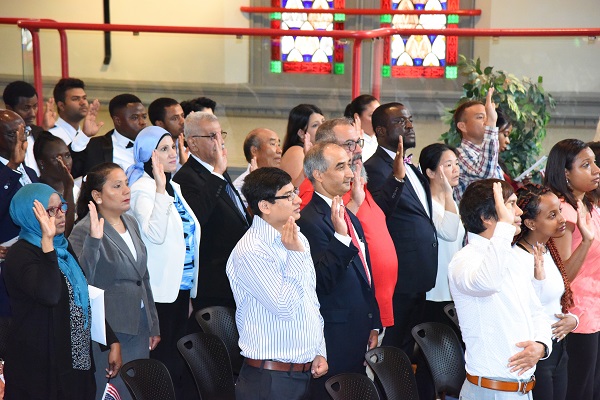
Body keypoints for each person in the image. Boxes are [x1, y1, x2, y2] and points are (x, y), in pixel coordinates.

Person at [3, 183, 121, 400]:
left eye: (61, 207)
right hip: (40, 370)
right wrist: (47, 244)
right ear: (31, 216)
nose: (59, 215)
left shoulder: (62, 247)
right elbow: (50, 294)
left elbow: (79, 294)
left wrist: (111, 340)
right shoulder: (20, 255)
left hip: (75, 363)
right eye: (50, 210)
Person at [227, 167, 328, 400]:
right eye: (288, 195)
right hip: (270, 379)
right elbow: (284, 307)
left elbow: (309, 301)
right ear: (265, 206)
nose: (298, 199)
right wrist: (294, 254)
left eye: (295, 192)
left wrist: (318, 350)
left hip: (303, 372)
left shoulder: (297, 236)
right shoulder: (251, 251)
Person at [449, 179, 551, 399]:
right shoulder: (463, 260)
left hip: (523, 390)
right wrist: (504, 228)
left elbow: (537, 311)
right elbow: (489, 283)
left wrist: (541, 346)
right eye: (510, 205)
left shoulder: (513, 257)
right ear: (486, 218)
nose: (519, 211)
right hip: (489, 391)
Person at [69, 163, 160, 400]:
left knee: (137, 392)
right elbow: (80, 280)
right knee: (112, 392)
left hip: (139, 325)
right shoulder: (84, 229)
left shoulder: (130, 222)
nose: (126, 191)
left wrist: (153, 323)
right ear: (97, 195)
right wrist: (94, 241)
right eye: (117, 186)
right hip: (110, 330)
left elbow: (143, 277)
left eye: (126, 184)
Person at [297, 142, 381, 399]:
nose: (350, 174)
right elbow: (321, 281)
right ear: (319, 175)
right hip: (333, 336)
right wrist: (341, 238)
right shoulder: (309, 220)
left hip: (357, 330)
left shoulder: (345, 213)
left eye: (350, 165)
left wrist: (373, 321)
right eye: (341, 167)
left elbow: (365, 272)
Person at [298, 117, 398, 330]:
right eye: (349, 144)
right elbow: (320, 275)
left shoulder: (354, 186)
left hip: (367, 311)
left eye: (358, 142)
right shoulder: (312, 197)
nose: (357, 150)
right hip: (341, 319)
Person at [126, 126, 200, 397]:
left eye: (173, 147)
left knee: (176, 360)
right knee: (163, 361)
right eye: (164, 149)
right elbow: (154, 235)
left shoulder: (173, 185)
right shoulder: (143, 189)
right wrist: (158, 187)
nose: (173, 153)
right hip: (159, 291)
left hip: (179, 286)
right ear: (148, 154)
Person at [365, 102, 436, 358]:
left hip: (418, 276)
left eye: (410, 119)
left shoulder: (411, 165)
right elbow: (379, 213)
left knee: (408, 349)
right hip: (399, 277)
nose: (409, 126)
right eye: (400, 122)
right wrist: (395, 178)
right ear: (381, 131)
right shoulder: (373, 168)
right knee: (393, 350)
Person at [513, 183, 594, 400]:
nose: (561, 219)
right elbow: (524, 309)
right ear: (530, 223)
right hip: (536, 353)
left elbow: (554, 301)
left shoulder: (548, 251)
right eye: (552, 215)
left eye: (559, 211)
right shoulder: (517, 258)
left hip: (558, 349)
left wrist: (572, 320)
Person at [173, 112, 251, 310]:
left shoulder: (218, 170)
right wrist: (216, 173)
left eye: (220, 134)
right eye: (211, 136)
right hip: (213, 282)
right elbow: (197, 219)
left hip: (235, 276)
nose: (220, 142)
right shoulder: (186, 178)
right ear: (193, 143)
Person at [544, 138, 600, 400]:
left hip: (594, 309)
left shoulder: (587, 205)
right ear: (566, 174)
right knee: (580, 392)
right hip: (575, 315)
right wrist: (587, 242)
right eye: (586, 165)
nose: (596, 170)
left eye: (594, 163)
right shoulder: (562, 212)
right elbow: (562, 274)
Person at [418, 143, 464, 329]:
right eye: (448, 165)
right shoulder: (425, 203)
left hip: (455, 288)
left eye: (456, 163)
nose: (456, 169)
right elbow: (449, 232)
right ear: (430, 172)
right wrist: (448, 194)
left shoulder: (450, 200)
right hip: (436, 292)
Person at [0, 110, 38, 317]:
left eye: (24, 132)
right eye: (11, 134)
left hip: (33, 262)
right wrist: (13, 165)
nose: (20, 139)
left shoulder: (29, 172)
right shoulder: (8, 171)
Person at [70, 94, 146, 178]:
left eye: (144, 117)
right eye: (135, 118)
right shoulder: (95, 146)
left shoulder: (155, 146)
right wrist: (84, 135)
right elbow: (68, 171)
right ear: (117, 121)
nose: (143, 122)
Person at [453, 88, 503, 202]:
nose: (486, 121)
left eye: (487, 116)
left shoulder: (484, 153)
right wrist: (491, 123)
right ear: (462, 126)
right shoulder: (460, 154)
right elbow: (485, 175)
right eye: (480, 117)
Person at [3, 80, 57, 175]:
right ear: (9, 108)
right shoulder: (3, 139)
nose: (32, 113)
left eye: (35, 106)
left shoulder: (39, 133)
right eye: (26, 108)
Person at [33, 132, 77, 236]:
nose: (65, 162)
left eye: (67, 155)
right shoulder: (38, 196)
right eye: (57, 158)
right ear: (41, 163)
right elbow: (64, 234)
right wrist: (68, 187)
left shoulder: (78, 189)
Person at [48, 78, 103, 151]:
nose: (83, 102)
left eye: (84, 98)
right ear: (61, 106)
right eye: (75, 99)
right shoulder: (51, 135)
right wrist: (84, 135)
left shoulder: (85, 133)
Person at [233, 128, 283, 208]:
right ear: (254, 151)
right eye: (273, 144)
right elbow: (248, 218)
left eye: (279, 145)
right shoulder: (240, 186)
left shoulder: (280, 180)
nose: (279, 150)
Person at [280, 104, 324, 187]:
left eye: (323, 122)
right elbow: (296, 190)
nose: (322, 128)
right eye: (315, 125)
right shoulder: (296, 152)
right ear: (301, 133)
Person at [148, 97, 188, 167]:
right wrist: (183, 165)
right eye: (175, 118)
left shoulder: (185, 147)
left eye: (182, 116)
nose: (183, 122)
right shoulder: (154, 153)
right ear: (160, 124)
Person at [344, 94, 380, 161]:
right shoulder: (350, 142)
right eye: (372, 115)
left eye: (380, 114)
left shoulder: (382, 139)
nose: (378, 118)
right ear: (357, 117)